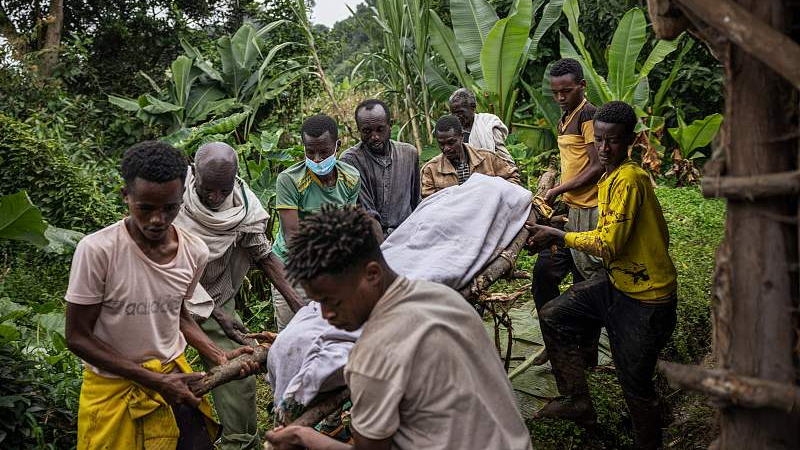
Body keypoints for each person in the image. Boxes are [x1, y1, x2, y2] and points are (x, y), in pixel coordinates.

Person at [264, 205, 533, 450]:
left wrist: (305, 438)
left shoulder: (372, 354)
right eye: (318, 303)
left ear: (372, 274)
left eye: (332, 301)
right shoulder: (444, 298)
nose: (326, 315)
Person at [65, 141, 258, 450]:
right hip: (113, 392)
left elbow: (178, 314)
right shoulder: (97, 251)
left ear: (182, 198)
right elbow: (77, 337)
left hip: (173, 382)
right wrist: (153, 380)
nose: (158, 220)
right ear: (126, 197)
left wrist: (218, 356)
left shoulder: (194, 251)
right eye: (146, 208)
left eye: (170, 208)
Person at [526, 101, 678, 449]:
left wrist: (558, 236)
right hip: (619, 283)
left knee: (636, 387)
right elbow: (610, 231)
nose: (605, 149)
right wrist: (557, 226)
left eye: (614, 141)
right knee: (554, 315)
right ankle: (578, 401)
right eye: (600, 140)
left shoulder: (631, 180)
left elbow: (609, 243)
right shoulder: (609, 178)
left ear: (629, 142)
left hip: (647, 299)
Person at [172, 142, 303, 449]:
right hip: (168, 300)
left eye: (223, 189)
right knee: (168, 377)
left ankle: (240, 442)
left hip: (217, 297)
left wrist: (301, 307)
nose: (216, 198)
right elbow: (171, 267)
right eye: (208, 190)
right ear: (194, 172)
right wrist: (217, 315)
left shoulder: (243, 204)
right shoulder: (174, 201)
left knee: (238, 374)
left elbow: (265, 257)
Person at [531, 58, 605, 365]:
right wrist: (559, 192)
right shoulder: (565, 117)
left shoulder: (588, 115)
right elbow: (572, 163)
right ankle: (557, 339)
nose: (560, 97)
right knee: (544, 274)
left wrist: (558, 189)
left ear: (582, 87)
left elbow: (597, 164)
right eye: (555, 92)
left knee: (585, 280)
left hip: (590, 208)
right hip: (569, 210)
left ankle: (586, 353)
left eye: (567, 91)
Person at [270, 114, 361, 330]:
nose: (317, 159)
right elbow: (292, 236)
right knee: (292, 335)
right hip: (292, 270)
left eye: (324, 151)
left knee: (331, 332)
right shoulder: (290, 180)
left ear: (337, 146)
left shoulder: (351, 178)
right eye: (310, 152)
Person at [341, 99, 420, 236]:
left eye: (380, 129)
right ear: (359, 130)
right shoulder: (350, 161)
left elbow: (416, 202)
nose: (374, 137)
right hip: (371, 238)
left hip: (408, 235)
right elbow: (367, 214)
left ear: (390, 125)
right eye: (367, 131)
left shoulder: (409, 154)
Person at [421, 115, 520, 198]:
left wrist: (496, 197)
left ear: (461, 137)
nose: (446, 148)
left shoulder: (487, 158)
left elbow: (512, 178)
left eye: (451, 142)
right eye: (442, 144)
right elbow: (429, 204)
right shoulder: (431, 170)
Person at [448, 87, 515, 164]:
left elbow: (503, 156)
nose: (457, 116)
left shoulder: (488, 124)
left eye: (460, 112)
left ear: (473, 107)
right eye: (453, 113)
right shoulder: (452, 130)